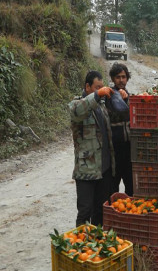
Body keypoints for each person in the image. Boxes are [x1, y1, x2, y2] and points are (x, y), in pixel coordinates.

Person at [68, 70, 115, 227]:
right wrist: (96, 95)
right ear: (87, 87)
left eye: (101, 87)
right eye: (96, 87)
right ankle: (82, 247)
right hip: (86, 171)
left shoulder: (101, 106)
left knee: (101, 211)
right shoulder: (77, 104)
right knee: (85, 212)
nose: (99, 91)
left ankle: (97, 243)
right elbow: (76, 112)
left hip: (104, 169)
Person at [107, 63, 133, 196]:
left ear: (127, 78)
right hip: (114, 151)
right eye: (118, 77)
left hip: (129, 150)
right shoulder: (108, 97)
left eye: (123, 77)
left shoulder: (131, 97)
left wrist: (127, 100)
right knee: (112, 188)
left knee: (131, 187)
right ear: (113, 79)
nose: (121, 80)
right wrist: (119, 99)